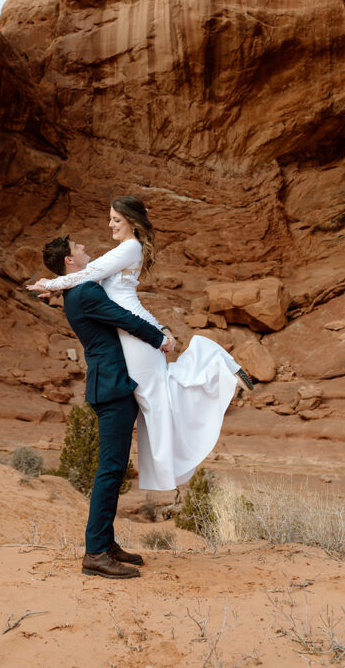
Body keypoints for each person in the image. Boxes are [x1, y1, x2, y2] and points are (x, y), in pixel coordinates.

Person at [29, 196, 251, 492]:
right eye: (110, 219)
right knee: (155, 396)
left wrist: (51, 284)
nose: (110, 224)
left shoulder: (130, 247)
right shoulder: (122, 250)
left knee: (156, 395)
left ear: (131, 222)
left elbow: (88, 274)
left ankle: (216, 366)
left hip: (135, 331)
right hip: (135, 326)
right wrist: (55, 287)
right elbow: (84, 275)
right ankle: (167, 465)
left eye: (116, 220)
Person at [39, 233, 173, 579]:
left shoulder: (79, 287)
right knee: (110, 471)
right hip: (111, 386)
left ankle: (106, 543)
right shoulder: (84, 292)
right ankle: (95, 553)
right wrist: (160, 338)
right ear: (70, 261)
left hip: (114, 384)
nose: (84, 248)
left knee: (112, 469)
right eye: (77, 248)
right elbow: (123, 317)